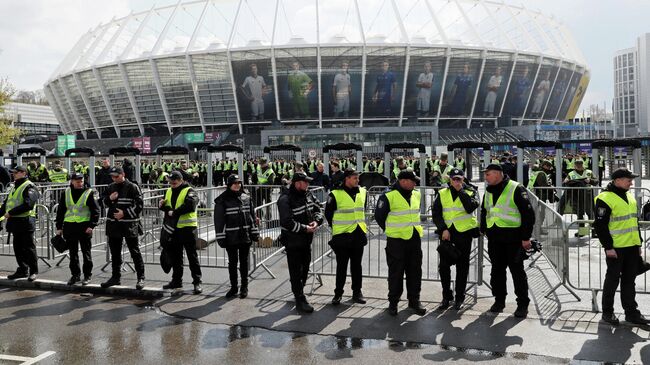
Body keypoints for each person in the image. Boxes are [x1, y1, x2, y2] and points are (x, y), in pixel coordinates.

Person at [595, 168, 649, 325]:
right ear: (617, 180)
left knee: (629, 281)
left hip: (631, 247)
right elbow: (600, 226)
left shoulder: (629, 197)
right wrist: (608, 247)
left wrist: (638, 243)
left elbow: (634, 223)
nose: (631, 183)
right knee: (612, 281)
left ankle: (631, 313)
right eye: (628, 179)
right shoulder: (604, 198)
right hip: (616, 248)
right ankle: (607, 312)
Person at [480, 164, 535, 318]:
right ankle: (499, 301)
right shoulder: (489, 191)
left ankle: (522, 304)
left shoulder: (516, 188)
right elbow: (485, 210)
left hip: (514, 239)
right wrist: (484, 228)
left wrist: (525, 237)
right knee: (496, 271)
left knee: (517, 272)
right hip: (495, 239)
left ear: (498, 174)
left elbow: (528, 214)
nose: (486, 177)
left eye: (488, 174)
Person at [374, 168, 426, 316]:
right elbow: (379, 217)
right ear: (403, 181)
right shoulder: (388, 196)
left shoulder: (416, 194)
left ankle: (414, 300)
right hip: (396, 241)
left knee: (415, 271)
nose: (415, 184)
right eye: (413, 181)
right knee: (396, 273)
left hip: (414, 239)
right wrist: (390, 230)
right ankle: (393, 302)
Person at [431, 168, 479, 310]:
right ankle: (446, 296)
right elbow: (436, 213)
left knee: (462, 267)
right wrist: (443, 229)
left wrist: (460, 191)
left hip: (464, 234)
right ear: (450, 180)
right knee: (444, 267)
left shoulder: (470, 191)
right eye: (454, 179)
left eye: (459, 179)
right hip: (448, 234)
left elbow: (470, 207)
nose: (456, 181)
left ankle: (460, 297)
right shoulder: (442, 193)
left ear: (463, 179)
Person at [277, 172, 324, 313]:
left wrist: (317, 220)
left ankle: (298, 290)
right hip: (292, 241)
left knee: (305, 268)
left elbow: (318, 208)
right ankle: (299, 298)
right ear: (297, 183)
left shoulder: (307, 194)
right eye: (306, 182)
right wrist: (305, 229)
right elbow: (286, 221)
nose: (308, 184)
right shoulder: (285, 199)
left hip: (306, 240)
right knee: (296, 271)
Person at [325, 168, 367, 305]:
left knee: (357, 266)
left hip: (358, 234)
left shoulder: (362, 192)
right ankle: (338, 293)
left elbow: (362, 210)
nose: (357, 180)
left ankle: (357, 292)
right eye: (355, 178)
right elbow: (328, 214)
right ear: (347, 179)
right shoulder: (335, 194)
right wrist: (338, 228)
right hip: (342, 236)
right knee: (341, 266)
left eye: (358, 178)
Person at [214, 174, 259, 299]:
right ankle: (234, 287)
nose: (237, 185)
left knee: (244, 262)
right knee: (233, 263)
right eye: (235, 183)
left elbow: (252, 217)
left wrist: (254, 231)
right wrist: (221, 237)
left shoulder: (246, 197)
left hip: (245, 236)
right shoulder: (222, 200)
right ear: (229, 185)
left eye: (239, 183)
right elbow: (219, 221)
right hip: (231, 237)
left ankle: (244, 287)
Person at [101, 166, 145, 290]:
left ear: (123, 174)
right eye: (112, 176)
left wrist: (124, 213)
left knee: (134, 251)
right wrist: (109, 199)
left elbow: (139, 205)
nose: (114, 178)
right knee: (115, 253)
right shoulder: (110, 187)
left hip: (129, 224)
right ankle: (115, 277)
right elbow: (101, 202)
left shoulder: (132, 187)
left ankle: (141, 277)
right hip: (114, 225)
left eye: (116, 176)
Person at [159, 171, 203, 294]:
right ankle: (176, 281)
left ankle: (197, 282)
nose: (172, 183)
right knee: (176, 257)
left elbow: (190, 205)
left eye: (174, 181)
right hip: (174, 229)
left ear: (181, 180)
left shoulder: (190, 190)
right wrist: (162, 206)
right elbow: (167, 208)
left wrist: (175, 212)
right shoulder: (168, 191)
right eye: (170, 181)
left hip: (188, 228)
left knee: (192, 256)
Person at [55, 172, 100, 285]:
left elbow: (96, 210)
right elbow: (60, 211)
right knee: (73, 253)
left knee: (86, 253)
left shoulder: (88, 192)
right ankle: (75, 275)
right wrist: (59, 227)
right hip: (70, 227)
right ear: (72, 181)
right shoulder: (66, 192)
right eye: (77, 181)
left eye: (81, 181)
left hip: (84, 227)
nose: (80, 183)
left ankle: (87, 276)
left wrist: (92, 225)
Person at [1, 166, 40, 281]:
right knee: (18, 248)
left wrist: (11, 213)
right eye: (13, 173)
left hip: (26, 221)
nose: (13, 174)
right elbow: (6, 204)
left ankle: (33, 271)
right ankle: (23, 269)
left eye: (16, 173)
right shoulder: (14, 187)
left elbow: (28, 205)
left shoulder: (29, 186)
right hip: (15, 222)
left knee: (29, 248)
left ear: (23, 173)